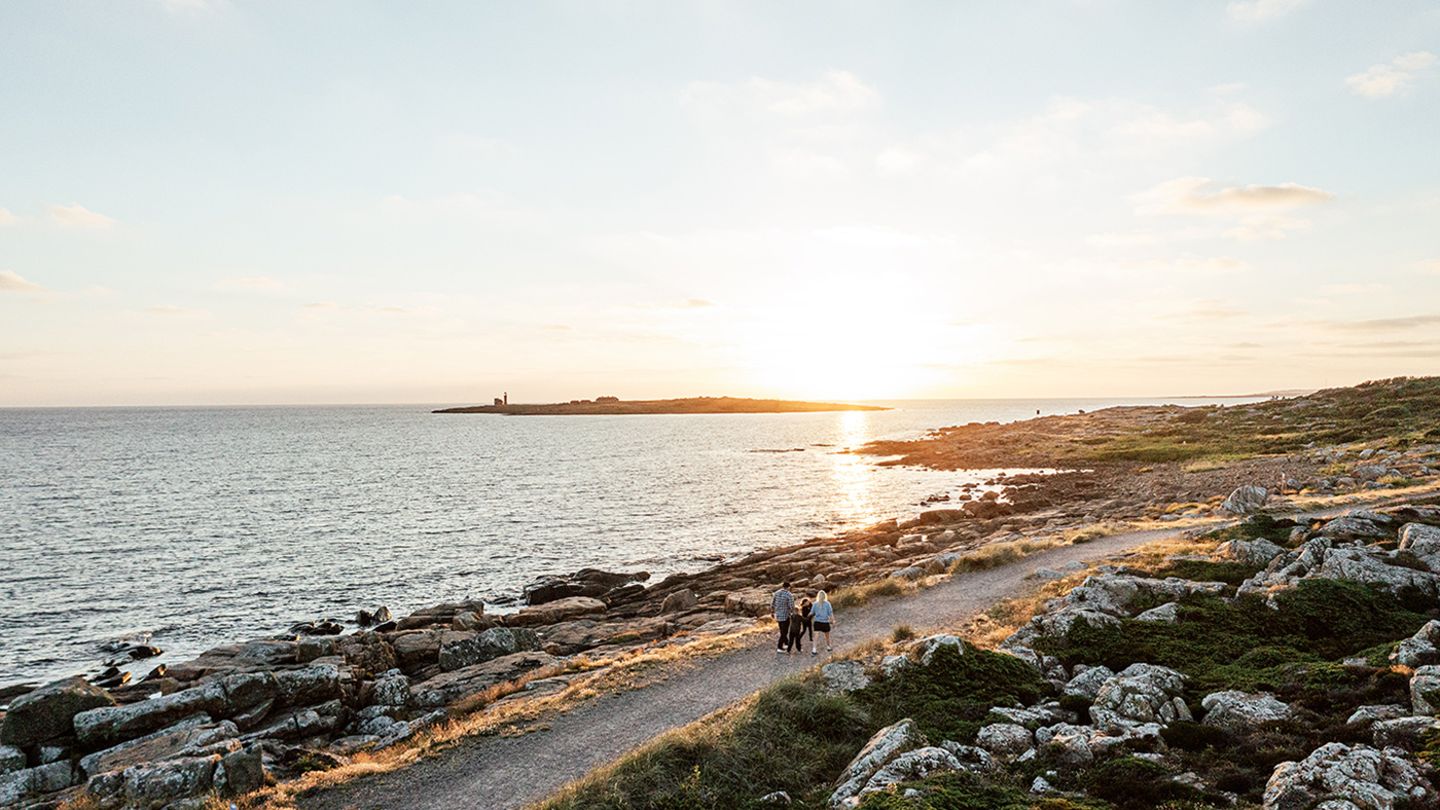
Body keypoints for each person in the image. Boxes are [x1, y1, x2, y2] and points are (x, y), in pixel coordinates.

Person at [771, 581, 795, 654]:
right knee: (784, 632)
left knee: (782, 630)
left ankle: (786, 644)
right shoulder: (789, 594)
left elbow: (772, 603)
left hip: (778, 615)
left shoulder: (776, 593)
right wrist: (793, 614)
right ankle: (779, 647)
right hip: (785, 616)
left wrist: (772, 612)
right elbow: (791, 606)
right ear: (788, 587)